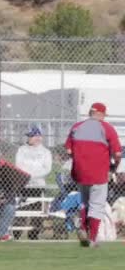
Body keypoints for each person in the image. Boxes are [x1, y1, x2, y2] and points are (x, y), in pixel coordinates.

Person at [65, 102, 122, 248]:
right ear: (101, 114)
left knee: (84, 201)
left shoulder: (77, 127)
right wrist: (114, 167)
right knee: (97, 205)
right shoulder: (107, 128)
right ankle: (92, 239)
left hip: (80, 173)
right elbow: (117, 153)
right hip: (99, 174)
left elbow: (68, 151)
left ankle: (83, 228)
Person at [14, 125, 52, 240]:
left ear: (39, 137)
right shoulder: (22, 150)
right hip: (23, 184)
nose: (30, 138)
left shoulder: (45, 152)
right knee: (22, 208)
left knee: (37, 210)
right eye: (29, 136)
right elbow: (18, 165)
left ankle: (33, 234)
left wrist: (33, 176)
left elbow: (47, 168)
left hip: (38, 185)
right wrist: (27, 176)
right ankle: (17, 233)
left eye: (33, 136)